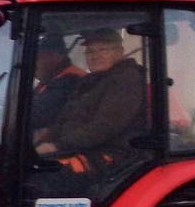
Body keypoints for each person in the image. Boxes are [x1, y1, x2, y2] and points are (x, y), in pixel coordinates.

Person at [33, 26, 147, 172]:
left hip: (113, 154)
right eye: (90, 51)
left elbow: (105, 126)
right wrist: (43, 143)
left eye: (103, 50)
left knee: (47, 177)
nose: (95, 56)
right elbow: (63, 119)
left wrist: (58, 146)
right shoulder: (90, 81)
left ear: (120, 52)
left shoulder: (126, 80)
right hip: (81, 148)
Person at [28, 33, 85, 135]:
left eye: (38, 58)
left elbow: (36, 116)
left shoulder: (70, 81)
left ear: (55, 57)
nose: (33, 64)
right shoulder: (50, 80)